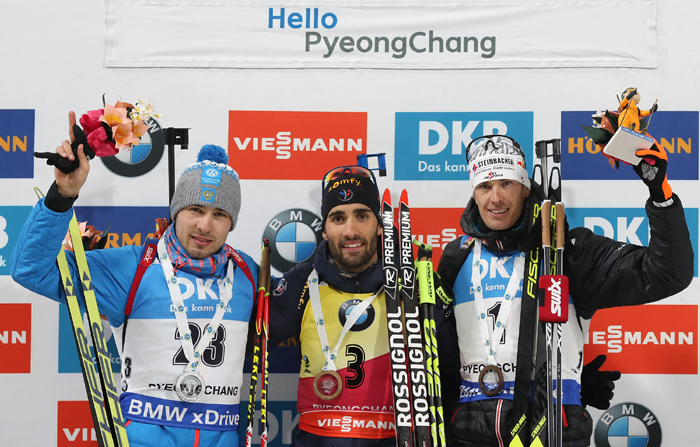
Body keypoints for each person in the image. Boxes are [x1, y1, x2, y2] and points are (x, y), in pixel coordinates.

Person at [11, 112, 259, 447]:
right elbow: (32, 269)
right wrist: (61, 196)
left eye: (219, 215)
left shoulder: (247, 273)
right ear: (176, 211)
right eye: (195, 210)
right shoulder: (134, 267)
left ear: (231, 223)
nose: (205, 226)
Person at [435, 135, 694, 447]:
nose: (496, 198)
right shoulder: (456, 257)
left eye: (506, 183)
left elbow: (668, 273)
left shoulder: (569, 252)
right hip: (472, 430)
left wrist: (660, 192)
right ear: (474, 194)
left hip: (554, 426)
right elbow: (443, 349)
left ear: (525, 186)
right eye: (485, 186)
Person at [269, 165, 396, 446]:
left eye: (361, 216)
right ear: (324, 230)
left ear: (379, 224)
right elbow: (244, 334)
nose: (350, 231)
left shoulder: (411, 282)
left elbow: (446, 369)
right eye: (338, 218)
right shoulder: (302, 282)